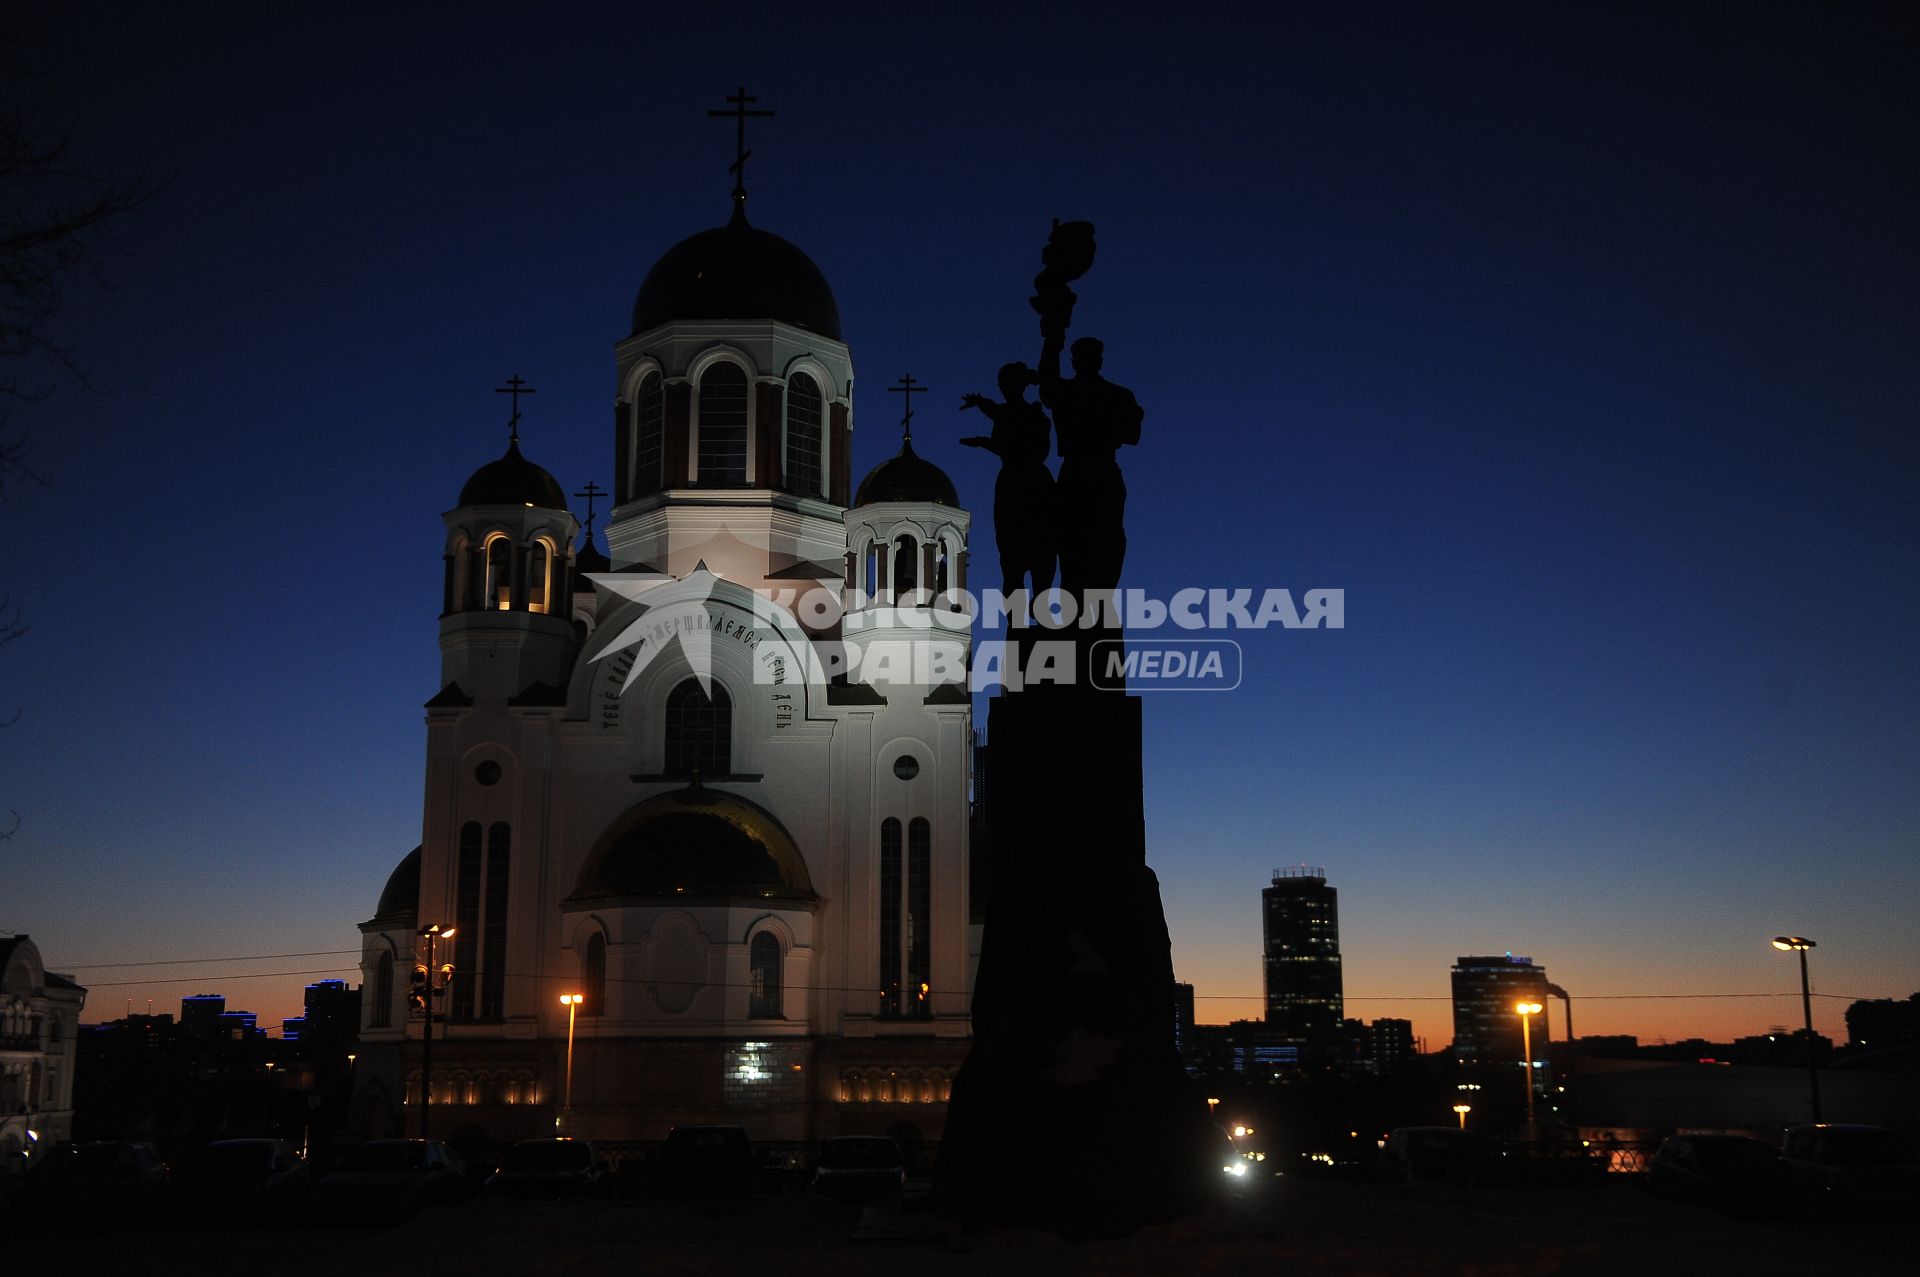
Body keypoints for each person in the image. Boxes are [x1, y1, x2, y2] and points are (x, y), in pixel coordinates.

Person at [1037, 330, 1142, 595]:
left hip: (1092, 471)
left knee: (1102, 541)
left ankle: (1092, 602)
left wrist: (1052, 339)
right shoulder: (1115, 395)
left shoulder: (1112, 394)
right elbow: (1132, 433)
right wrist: (1052, 338)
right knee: (1075, 541)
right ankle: (1084, 603)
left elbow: (1132, 435)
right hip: (1087, 471)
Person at [960, 362, 1055, 598]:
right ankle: (1017, 615)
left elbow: (1028, 449)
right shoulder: (1009, 413)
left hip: (1028, 484)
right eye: (1001, 385)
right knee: (1010, 552)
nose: (1002, 388)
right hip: (1013, 483)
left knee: (1042, 546)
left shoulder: (1034, 416)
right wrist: (979, 403)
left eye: (1005, 384)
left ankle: (1040, 601)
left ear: (1018, 385)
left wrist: (984, 442)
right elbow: (994, 410)